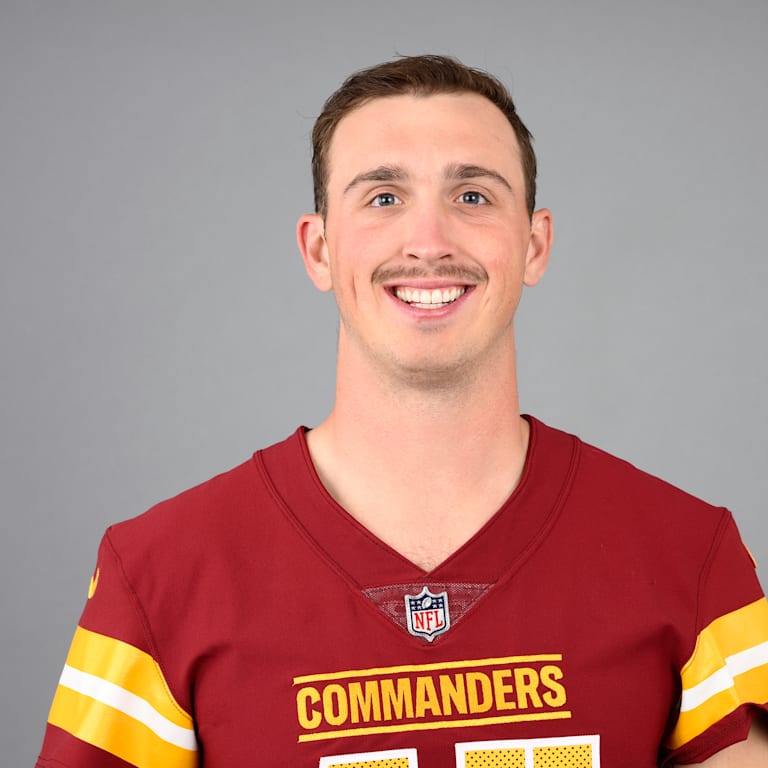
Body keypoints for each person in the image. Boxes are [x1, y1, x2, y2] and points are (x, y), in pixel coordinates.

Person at [36, 55, 768, 768]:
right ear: (319, 249)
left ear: (535, 244)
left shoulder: (692, 558)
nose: (429, 242)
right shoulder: (158, 574)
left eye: (472, 196)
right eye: (383, 198)